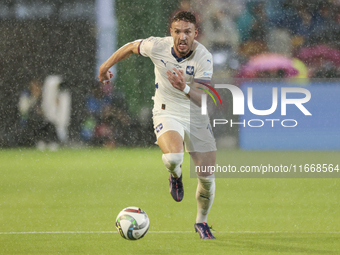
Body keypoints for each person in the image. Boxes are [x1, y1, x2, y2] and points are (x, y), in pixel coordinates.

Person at [98, 11, 216, 239]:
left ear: (195, 33)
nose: (183, 37)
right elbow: (131, 47)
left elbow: (203, 99)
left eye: (188, 32)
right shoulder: (157, 46)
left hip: (195, 116)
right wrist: (105, 66)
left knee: (207, 179)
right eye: (178, 31)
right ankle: (175, 174)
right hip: (166, 111)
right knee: (173, 157)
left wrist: (184, 87)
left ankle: (201, 222)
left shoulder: (204, 57)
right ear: (171, 32)